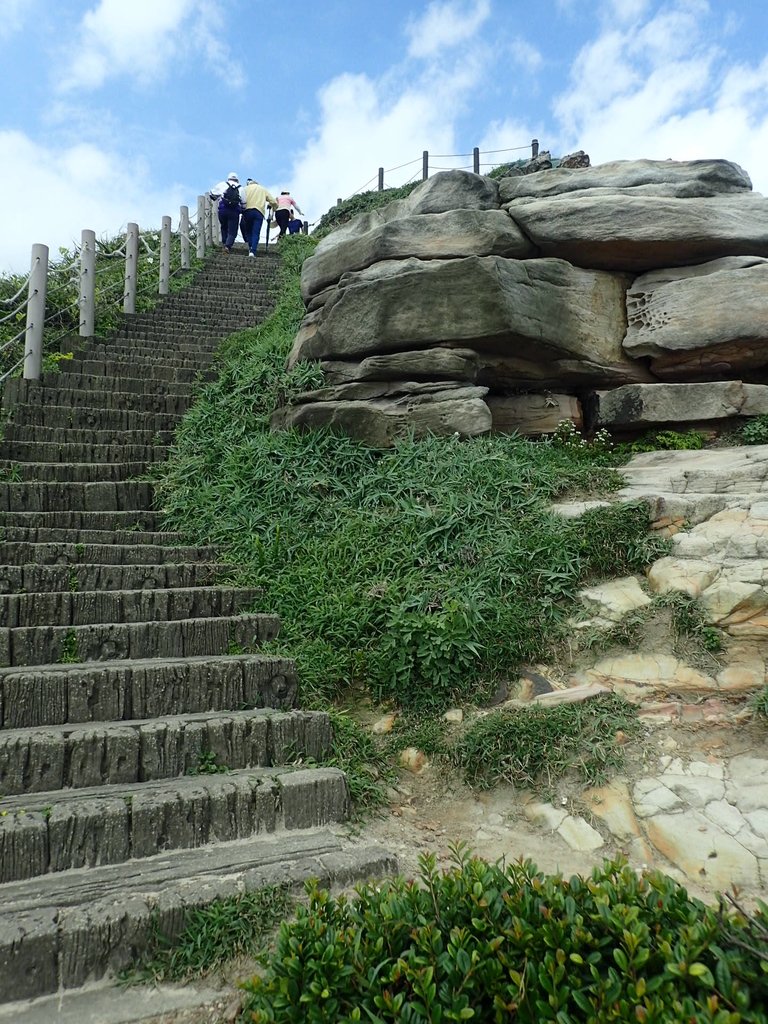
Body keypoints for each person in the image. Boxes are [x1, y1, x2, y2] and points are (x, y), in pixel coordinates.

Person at [241, 178, 278, 257]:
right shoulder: (262, 189)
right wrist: (274, 208)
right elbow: (274, 201)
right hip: (258, 212)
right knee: (256, 232)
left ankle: (250, 247)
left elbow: (240, 199)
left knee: (249, 232)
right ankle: (253, 251)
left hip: (247, 212)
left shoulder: (245, 189)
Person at [209, 172, 244, 251]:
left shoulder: (222, 184)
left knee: (224, 227)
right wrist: (243, 210)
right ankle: (227, 246)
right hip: (234, 211)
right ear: (237, 180)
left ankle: (224, 243)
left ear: (228, 178)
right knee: (232, 230)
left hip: (223, 210)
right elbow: (244, 202)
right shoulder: (241, 188)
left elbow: (212, 193)